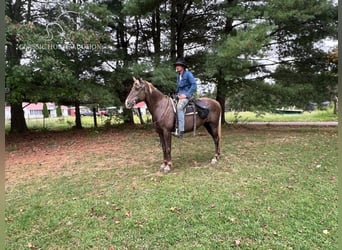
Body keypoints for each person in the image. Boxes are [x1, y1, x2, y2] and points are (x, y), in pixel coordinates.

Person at [172, 58, 197, 138]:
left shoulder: (188, 74)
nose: (177, 67)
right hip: (179, 95)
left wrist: (186, 95)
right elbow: (179, 88)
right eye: (176, 65)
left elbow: (194, 85)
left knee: (179, 107)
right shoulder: (178, 76)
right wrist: (175, 93)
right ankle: (173, 127)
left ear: (183, 67)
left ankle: (181, 131)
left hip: (186, 96)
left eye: (178, 65)